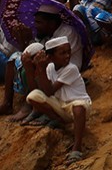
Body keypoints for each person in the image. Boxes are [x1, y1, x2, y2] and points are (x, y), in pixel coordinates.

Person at [25, 36, 91, 165]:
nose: (67, 56)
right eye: (62, 53)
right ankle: (57, 120)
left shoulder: (71, 68)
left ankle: (76, 148)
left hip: (78, 107)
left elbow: (50, 91)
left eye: (68, 52)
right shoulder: (50, 67)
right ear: (51, 57)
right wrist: (36, 68)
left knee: (78, 107)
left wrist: (41, 69)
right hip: (61, 105)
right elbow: (44, 91)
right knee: (33, 96)